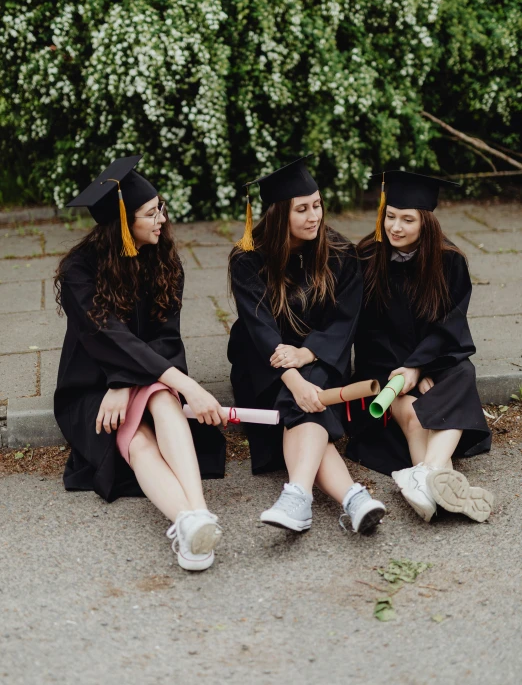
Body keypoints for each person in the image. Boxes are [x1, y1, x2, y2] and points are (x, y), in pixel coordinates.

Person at [54, 155, 228, 571]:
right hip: (91, 384)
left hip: (148, 375)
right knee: (134, 439)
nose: (162, 221)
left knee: (163, 401)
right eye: (151, 213)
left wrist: (131, 384)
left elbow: (165, 338)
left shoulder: (164, 259)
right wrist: (180, 385)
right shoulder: (80, 271)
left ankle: (197, 517)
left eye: (161, 208)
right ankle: (186, 520)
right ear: (123, 224)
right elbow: (110, 336)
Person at [228, 156, 386, 536]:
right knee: (301, 401)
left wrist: (307, 354)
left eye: (317, 204)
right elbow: (260, 327)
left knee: (302, 404)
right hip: (263, 359)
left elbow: (344, 322)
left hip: (320, 356)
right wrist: (294, 379)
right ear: (280, 213)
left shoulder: (341, 254)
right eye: (302, 209)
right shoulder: (248, 258)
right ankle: (352, 497)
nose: (314, 215)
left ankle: (298, 495)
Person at [345, 170, 493, 523]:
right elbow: (367, 335)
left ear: (425, 222)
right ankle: (436, 481)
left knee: (462, 371)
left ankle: (423, 477)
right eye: (390, 216)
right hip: (382, 369)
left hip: (433, 359)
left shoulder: (450, 262)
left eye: (407, 219)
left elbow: (449, 327)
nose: (395, 226)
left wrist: (421, 367)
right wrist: (407, 371)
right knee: (415, 417)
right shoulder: (366, 258)